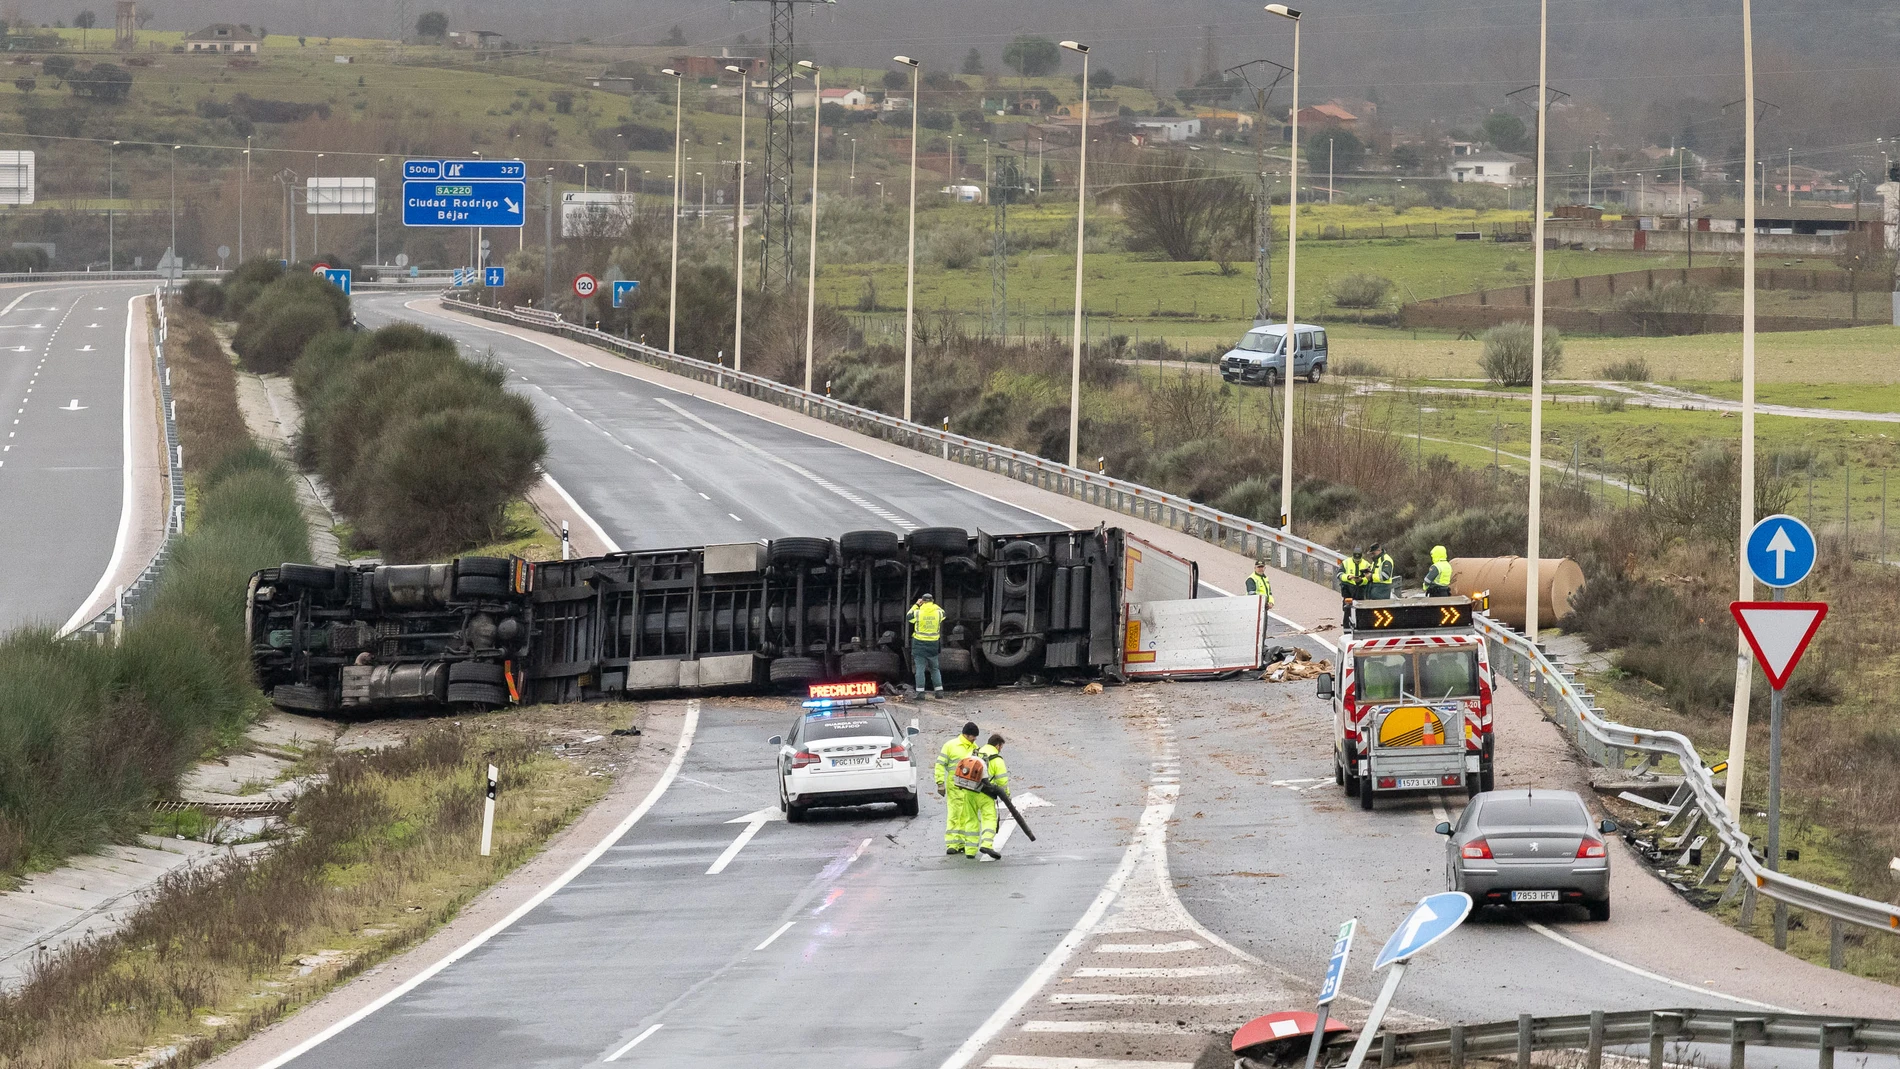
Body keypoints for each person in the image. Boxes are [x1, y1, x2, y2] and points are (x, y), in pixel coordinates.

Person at [953, 732, 1011, 860]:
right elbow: (1002, 781)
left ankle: (970, 850)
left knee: (970, 819)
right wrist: (1006, 795)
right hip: (985, 794)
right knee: (989, 818)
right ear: (998, 746)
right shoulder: (996, 759)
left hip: (969, 791)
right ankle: (986, 844)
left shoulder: (974, 753)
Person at [935, 721, 981, 856]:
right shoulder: (950, 746)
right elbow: (940, 764)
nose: (975, 739)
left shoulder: (975, 748)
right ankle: (952, 844)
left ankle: (962, 843)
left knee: (966, 815)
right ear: (967, 735)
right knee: (954, 815)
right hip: (955, 787)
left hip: (970, 788)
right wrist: (939, 782)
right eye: (973, 736)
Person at [907, 592, 945, 698]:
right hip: (933, 644)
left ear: (922, 601)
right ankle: (939, 691)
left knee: (920, 669)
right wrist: (933, 605)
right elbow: (944, 614)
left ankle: (920, 693)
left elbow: (908, 617)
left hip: (919, 644)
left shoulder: (918, 612)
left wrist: (916, 604)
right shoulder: (938, 611)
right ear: (932, 601)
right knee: (935, 668)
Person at [1340, 547, 1369, 625]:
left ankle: (1360, 627)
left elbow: (1369, 578)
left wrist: (1361, 580)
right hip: (1348, 589)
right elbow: (1340, 575)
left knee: (1360, 611)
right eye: (1355, 560)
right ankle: (1347, 629)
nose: (1357, 561)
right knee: (1348, 610)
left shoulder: (1366, 564)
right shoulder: (1346, 562)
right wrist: (1348, 577)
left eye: (1358, 560)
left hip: (1360, 590)